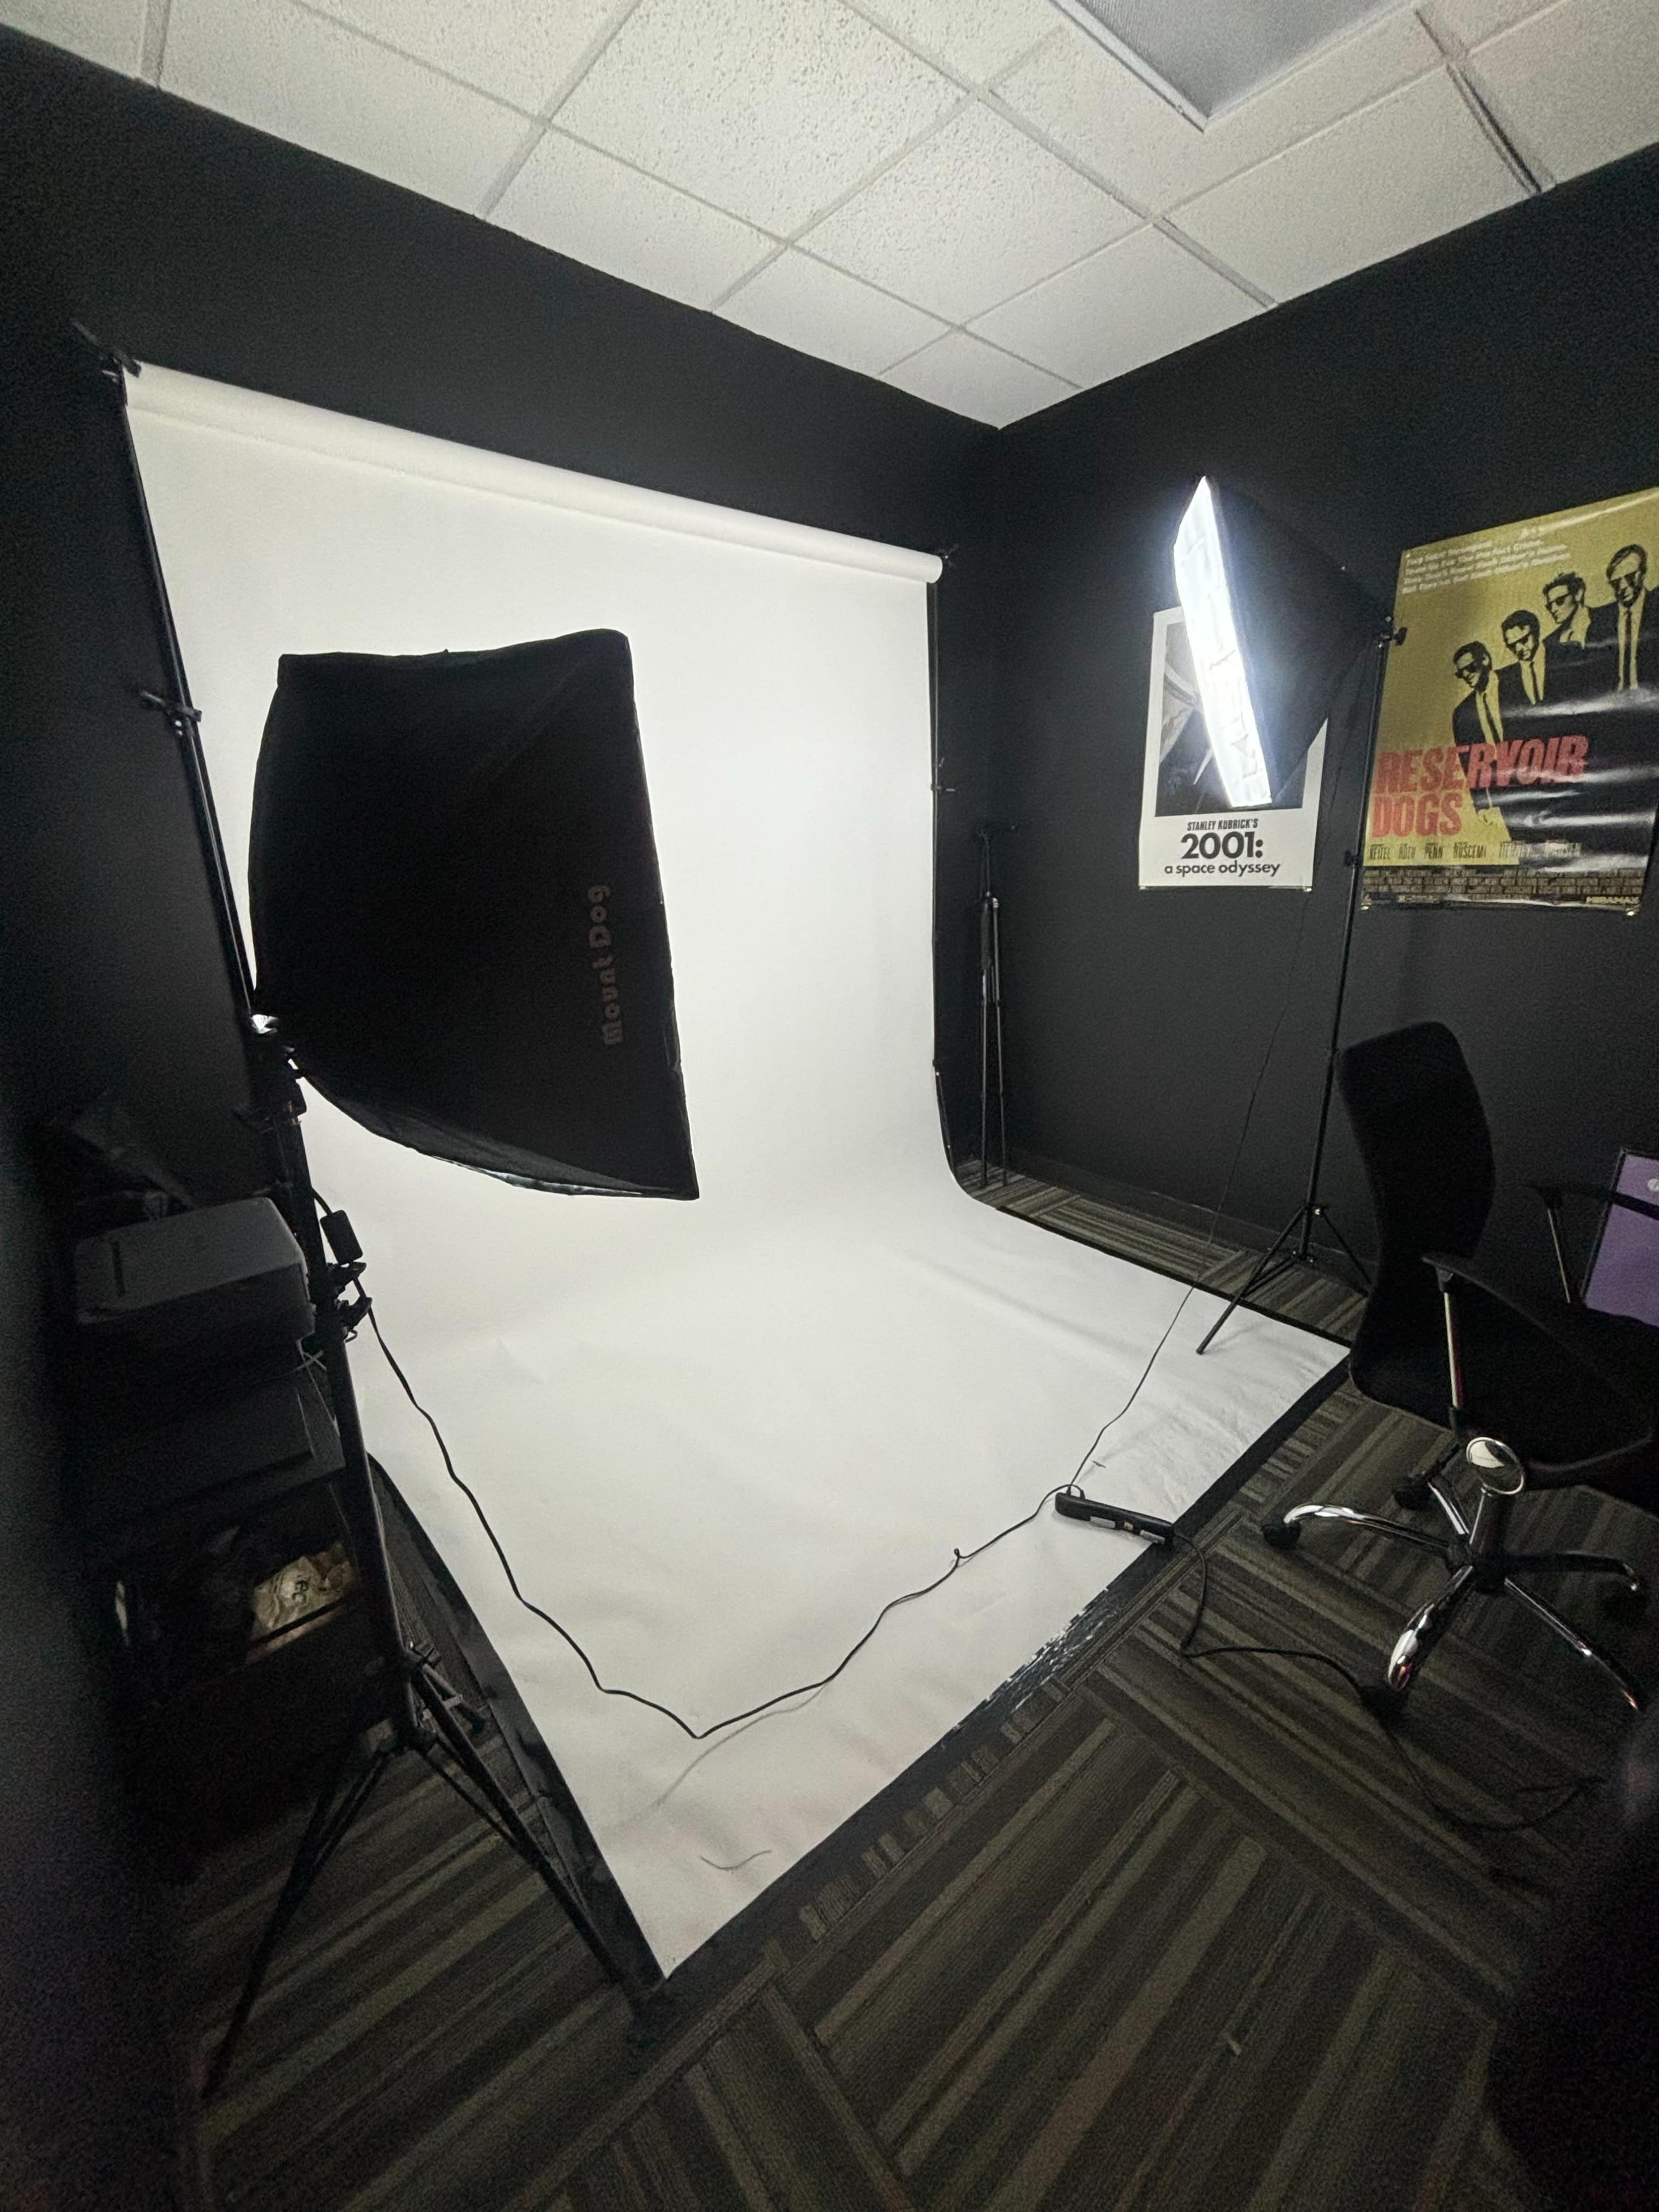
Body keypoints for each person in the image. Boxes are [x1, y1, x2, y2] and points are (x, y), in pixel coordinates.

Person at [1588, 544, 1659, 692]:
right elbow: (1595, 674)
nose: (1623, 586)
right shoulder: (1600, 620)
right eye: (1616, 583)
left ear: (1643, 573)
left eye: (1630, 577)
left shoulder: (1656, 607)